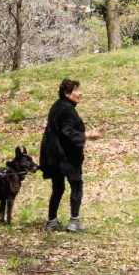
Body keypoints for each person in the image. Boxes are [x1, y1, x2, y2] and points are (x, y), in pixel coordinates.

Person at [39, 77, 100, 232]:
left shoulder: (57, 106)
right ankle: (74, 222)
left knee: (58, 188)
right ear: (67, 93)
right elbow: (68, 132)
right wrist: (87, 135)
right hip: (66, 157)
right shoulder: (67, 109)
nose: (80, 93)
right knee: (76, 185)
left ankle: (52, 222)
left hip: (52, 156)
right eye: (76, 90)